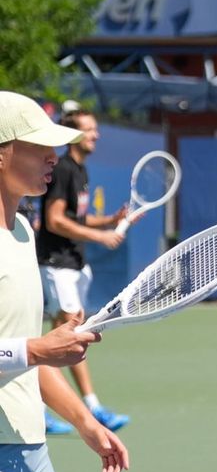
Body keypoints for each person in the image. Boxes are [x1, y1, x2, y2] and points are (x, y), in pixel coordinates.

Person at [0, 90, 129, 472]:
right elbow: (30, 351)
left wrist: (85, 422)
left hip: (33, 453)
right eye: (41, 147)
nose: (56, 157)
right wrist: (36, 350)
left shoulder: (24, 233)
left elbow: (29, 354)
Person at [35, 108, 131, 431]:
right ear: (74, 134)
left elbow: (75, 217)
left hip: (74, 264)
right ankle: (92, 406)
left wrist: (109, 221)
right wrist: (100, 236)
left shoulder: (80, 171)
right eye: (90, 130)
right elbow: (55, 220)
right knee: (71, 335)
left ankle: (39, 407)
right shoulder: (62, 169)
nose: (96, 135)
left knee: (55, 334)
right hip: (57, 263)